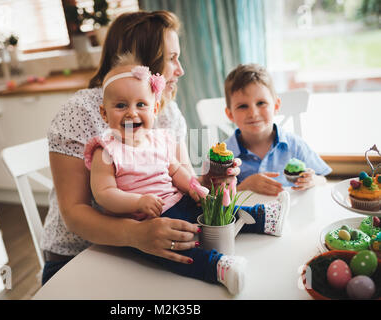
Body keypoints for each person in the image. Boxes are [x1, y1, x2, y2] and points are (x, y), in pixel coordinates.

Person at [40, 10, 241, 286]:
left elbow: (178, 183)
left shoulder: (166, 111)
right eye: (172, 58)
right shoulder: (81, 110)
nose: (180, 69)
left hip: (146, 250)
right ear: (142, 62)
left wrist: (212, 182)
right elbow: (75, 212)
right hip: (77, 258)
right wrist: (136, 234)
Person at [84, 57, 291, 295]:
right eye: (121, 106)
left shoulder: (159, 139)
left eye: (141, 104)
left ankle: (265, 219)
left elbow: (175, 170)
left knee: (217, 212)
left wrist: (194, 187)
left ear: (155, 109)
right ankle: (217, 267)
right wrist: (138, 201)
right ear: (104, 112)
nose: (131, 113)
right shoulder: (106, 150)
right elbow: (104, 194)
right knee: (177, 250)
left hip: (179, 200)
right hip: (147, 221)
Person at [223, 64, 332, 196]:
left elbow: (323, 179)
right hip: (245, 216)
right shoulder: (224, 157)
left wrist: (312, 180)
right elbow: (215, 197)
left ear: (276, 105)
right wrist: (244, 186)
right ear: (230, 114)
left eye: (261, 103)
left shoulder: (295, 145)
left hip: (292, 213)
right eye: (243, 106)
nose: (253, 113)